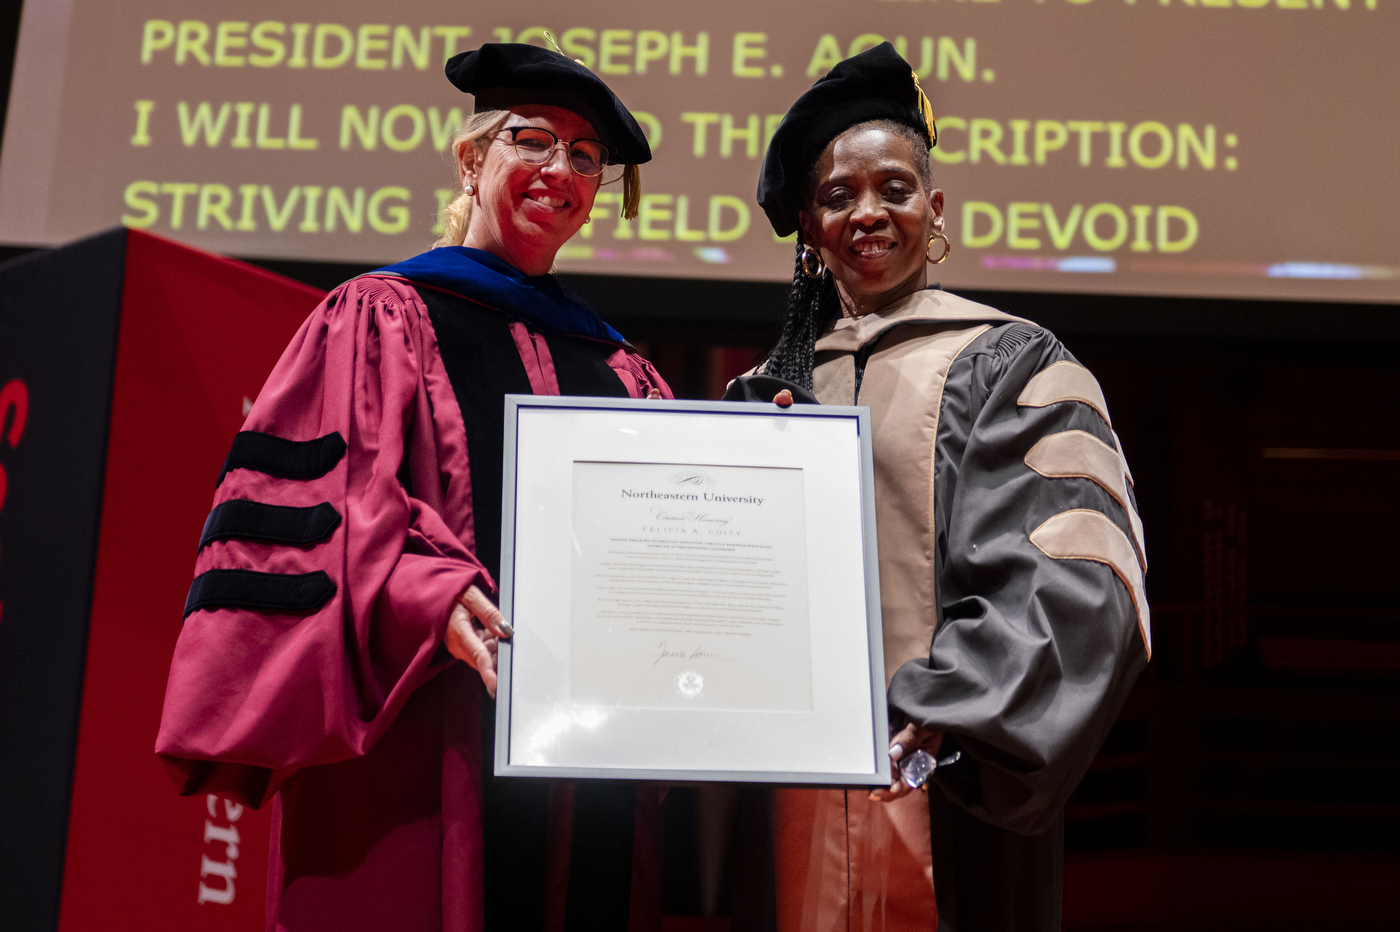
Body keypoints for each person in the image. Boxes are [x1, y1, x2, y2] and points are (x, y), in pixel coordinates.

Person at [156, 44, 671, 932]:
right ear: (473, 159)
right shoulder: (379, 315)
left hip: (585, 773)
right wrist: (424, 591)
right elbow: (325, 519)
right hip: (423, 742)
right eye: (534, 141)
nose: (561, 171)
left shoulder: (624, 370)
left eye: (585, 159)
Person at [749, 43, 1150, 932]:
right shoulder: (769, 391)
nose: (868, 212)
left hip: (946, 776)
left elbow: (1078, 568)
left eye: (894, 189)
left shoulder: (1013, 362)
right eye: (837, 196)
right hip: (794, 786)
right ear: (811, 232)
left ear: (935, 210)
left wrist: (950, 706)